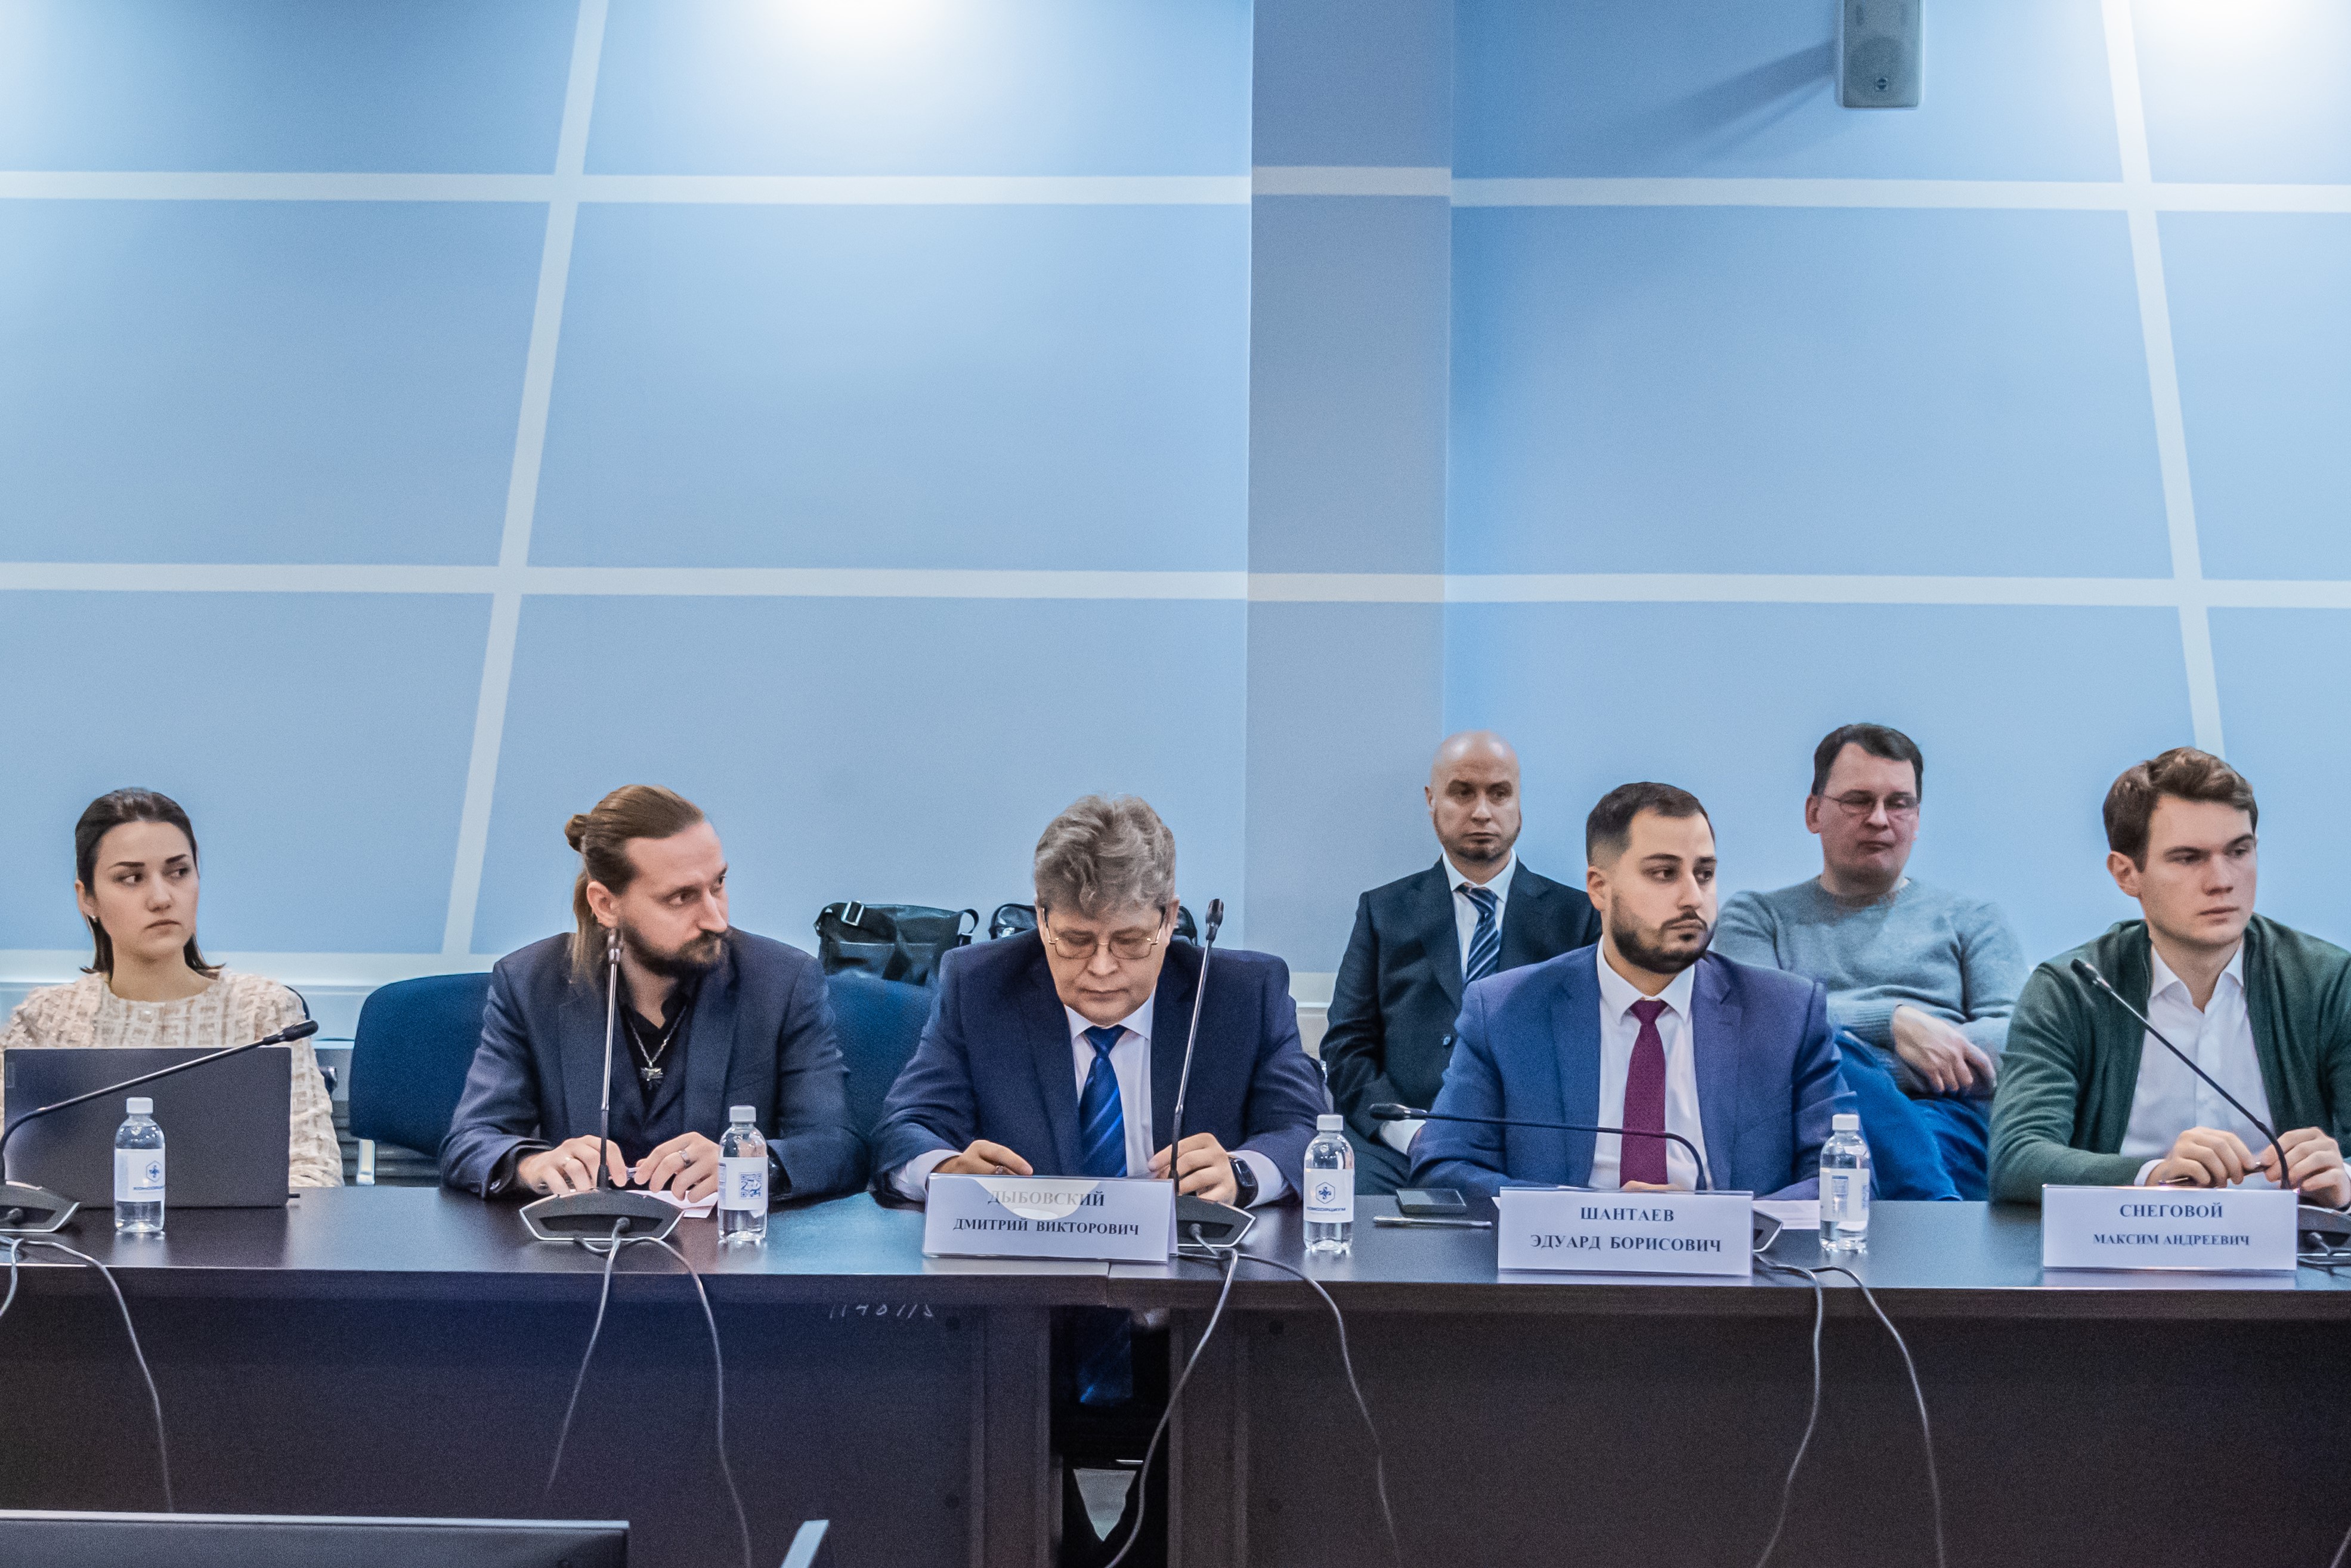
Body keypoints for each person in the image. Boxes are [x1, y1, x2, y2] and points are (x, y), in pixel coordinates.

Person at [870, 794, 1326, 1568]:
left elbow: (1306, 1130)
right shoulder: (980, 983)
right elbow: (901, 1127)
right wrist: (943, 1168)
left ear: (1170, 918)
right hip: (1024, 1335)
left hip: (1194, 1335)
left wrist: (1242, 1170)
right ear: (1041, 918)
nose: (1103, 968)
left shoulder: (1242, 992)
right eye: (1076, 941)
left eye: (1130, 940)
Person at [1410, 783, 1849, 1201]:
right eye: (1664, 873)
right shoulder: (1506, 1012)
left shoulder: (1786, 1013)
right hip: (1567, 1252)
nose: (1693, 898)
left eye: (1705, 874)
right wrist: (1587, 1214)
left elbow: (1842, 1175)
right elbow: (1444, 1164)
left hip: (1737, 1253)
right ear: (1600, 888)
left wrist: (1722, 1219)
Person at [440, 785, 865, 1204]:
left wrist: (751, 1164)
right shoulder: (531, 983)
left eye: (718, 884)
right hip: (582, 1243)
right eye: (682, 897)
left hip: (723, 1243)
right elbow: (469, 1142)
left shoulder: (781, 981)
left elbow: (838, 1146)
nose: (716, 919)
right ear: (606, 904)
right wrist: (532, 1165)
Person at [1990, 749, 2351, 1205]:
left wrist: (2345, 1179)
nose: (2222, 880)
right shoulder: (2072, 989)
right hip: (2122, 1241)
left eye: (2239, 851)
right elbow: (2017, 1158)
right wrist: (2154, 1176)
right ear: (2127, 874)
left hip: (2294, 1244)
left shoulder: (2327, 982)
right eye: (2188, 858)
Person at [1715, 723, 2026, 1199]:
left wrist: (1875, 1063)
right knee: (1819, 1042)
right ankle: (1936, 1217)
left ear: (1917, 819)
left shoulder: (1974, 918)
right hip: (1808, 1121)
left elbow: (2015, 1042)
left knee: (1827, 1050)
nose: (1880, 819)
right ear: (1814, 812)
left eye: (1899, 803)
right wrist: (1894, 1024)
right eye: (1858, 801)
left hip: (1945, 1115)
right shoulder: (1756, 916)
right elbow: (1759, 1029)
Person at [1, 788, 342, 1188]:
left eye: (179, 872)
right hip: (78, 1229)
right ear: (87, 899)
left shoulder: (264, 1012)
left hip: (240, 1230)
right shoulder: (45, 1020)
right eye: (131, 878)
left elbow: (317, 1174)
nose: (162, 898)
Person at [1320, 731, 1603, 1193]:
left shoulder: (1578, 918)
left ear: (1519, 802)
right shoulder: (1383, 911)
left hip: (1530, 1155)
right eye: (1463, 792)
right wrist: (1412, 1134)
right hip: (1397, 1152)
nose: (1482, 811)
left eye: (1499, 793)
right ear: (1431, 800)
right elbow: (1347, 1047)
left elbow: (1593, 1054)